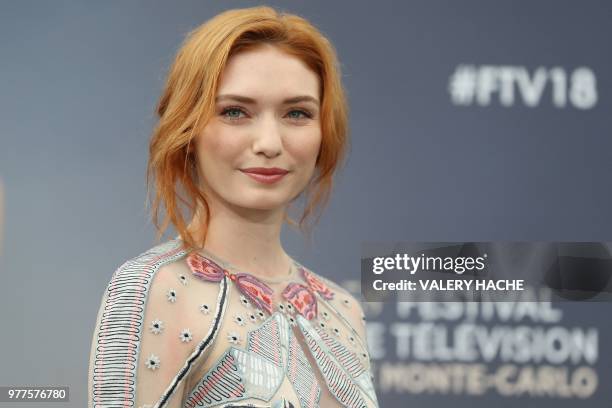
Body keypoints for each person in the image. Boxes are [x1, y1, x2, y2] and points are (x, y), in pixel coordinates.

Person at [88, 6, 378, 408]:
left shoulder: (343, 308)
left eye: (297, 113)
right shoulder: (151, 288)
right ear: (187, 128)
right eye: (235, 112)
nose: (269, 143)